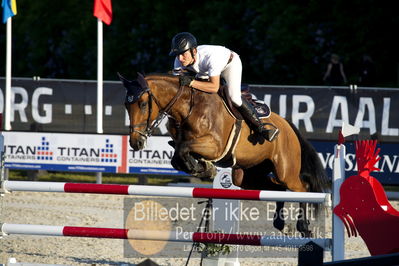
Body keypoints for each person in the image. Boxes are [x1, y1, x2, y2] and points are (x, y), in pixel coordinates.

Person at [169, 32, 279, 142]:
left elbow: (214, 87)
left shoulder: (210, 57)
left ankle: (260, 128)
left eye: (183, 54)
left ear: (194, 51)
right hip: (205, 70)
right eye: (177, 55)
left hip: (229, 64)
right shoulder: (179, 61)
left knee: (234, 97)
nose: (180, 58)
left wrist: (192, 82)